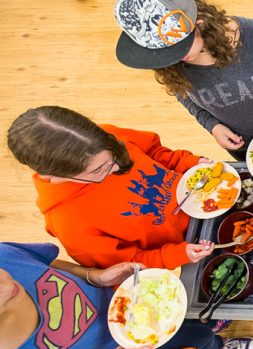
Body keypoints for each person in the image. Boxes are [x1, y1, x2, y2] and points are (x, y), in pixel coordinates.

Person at [7, 106, 215, 270]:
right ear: (52, 174)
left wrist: (189, 163)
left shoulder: (103, 137)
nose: (117, 168)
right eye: (98, 170)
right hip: (187, 243)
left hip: (206, 195)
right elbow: (128, 263)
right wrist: (177, 255)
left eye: (114, 156)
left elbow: (154, 151)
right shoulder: (69, 223)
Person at [0, 242, 253, 349]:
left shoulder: (4, 259)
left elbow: (45, 262)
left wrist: (95, 276)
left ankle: (208, 327)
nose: (4, 281)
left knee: (191, 321)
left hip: (126, 301)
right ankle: (217, 346)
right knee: (199, 340)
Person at [114, 0, 253, 161]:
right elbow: (183, 95)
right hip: (240, 145)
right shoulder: (169, 65)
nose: (172, 59)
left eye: (179, 49)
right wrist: (212, 125)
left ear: (199, 25)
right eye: (164, 55)